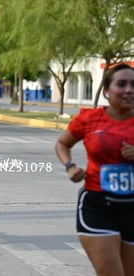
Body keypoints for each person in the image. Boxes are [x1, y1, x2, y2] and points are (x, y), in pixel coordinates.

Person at [55, 63, 134, 276]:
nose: (129, 90)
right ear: (107, 91)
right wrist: (70, 166)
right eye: (122, 84)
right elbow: (62, 144)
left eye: (133, 85)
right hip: (98, 207)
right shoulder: (89, 119)